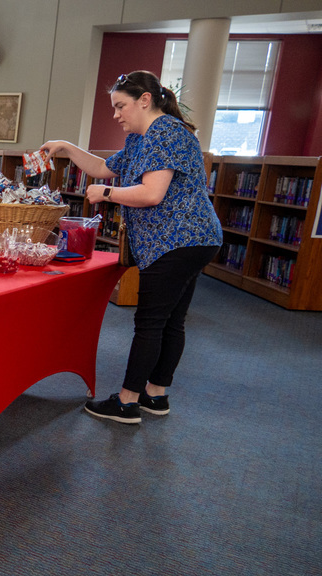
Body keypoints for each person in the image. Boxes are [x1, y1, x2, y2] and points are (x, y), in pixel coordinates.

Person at [40, 70, 222, 424]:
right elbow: (104, 168)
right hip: (194, 239)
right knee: (171, 321)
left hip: (176, 240)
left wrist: (105, 194)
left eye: (121, 106)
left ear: (145, 100)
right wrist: (65, 147)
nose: (116, 114)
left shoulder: (165, 131)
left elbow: (151, 193)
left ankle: (126, 402)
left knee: (151, 323)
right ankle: (156, 395)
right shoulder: (141, 138)